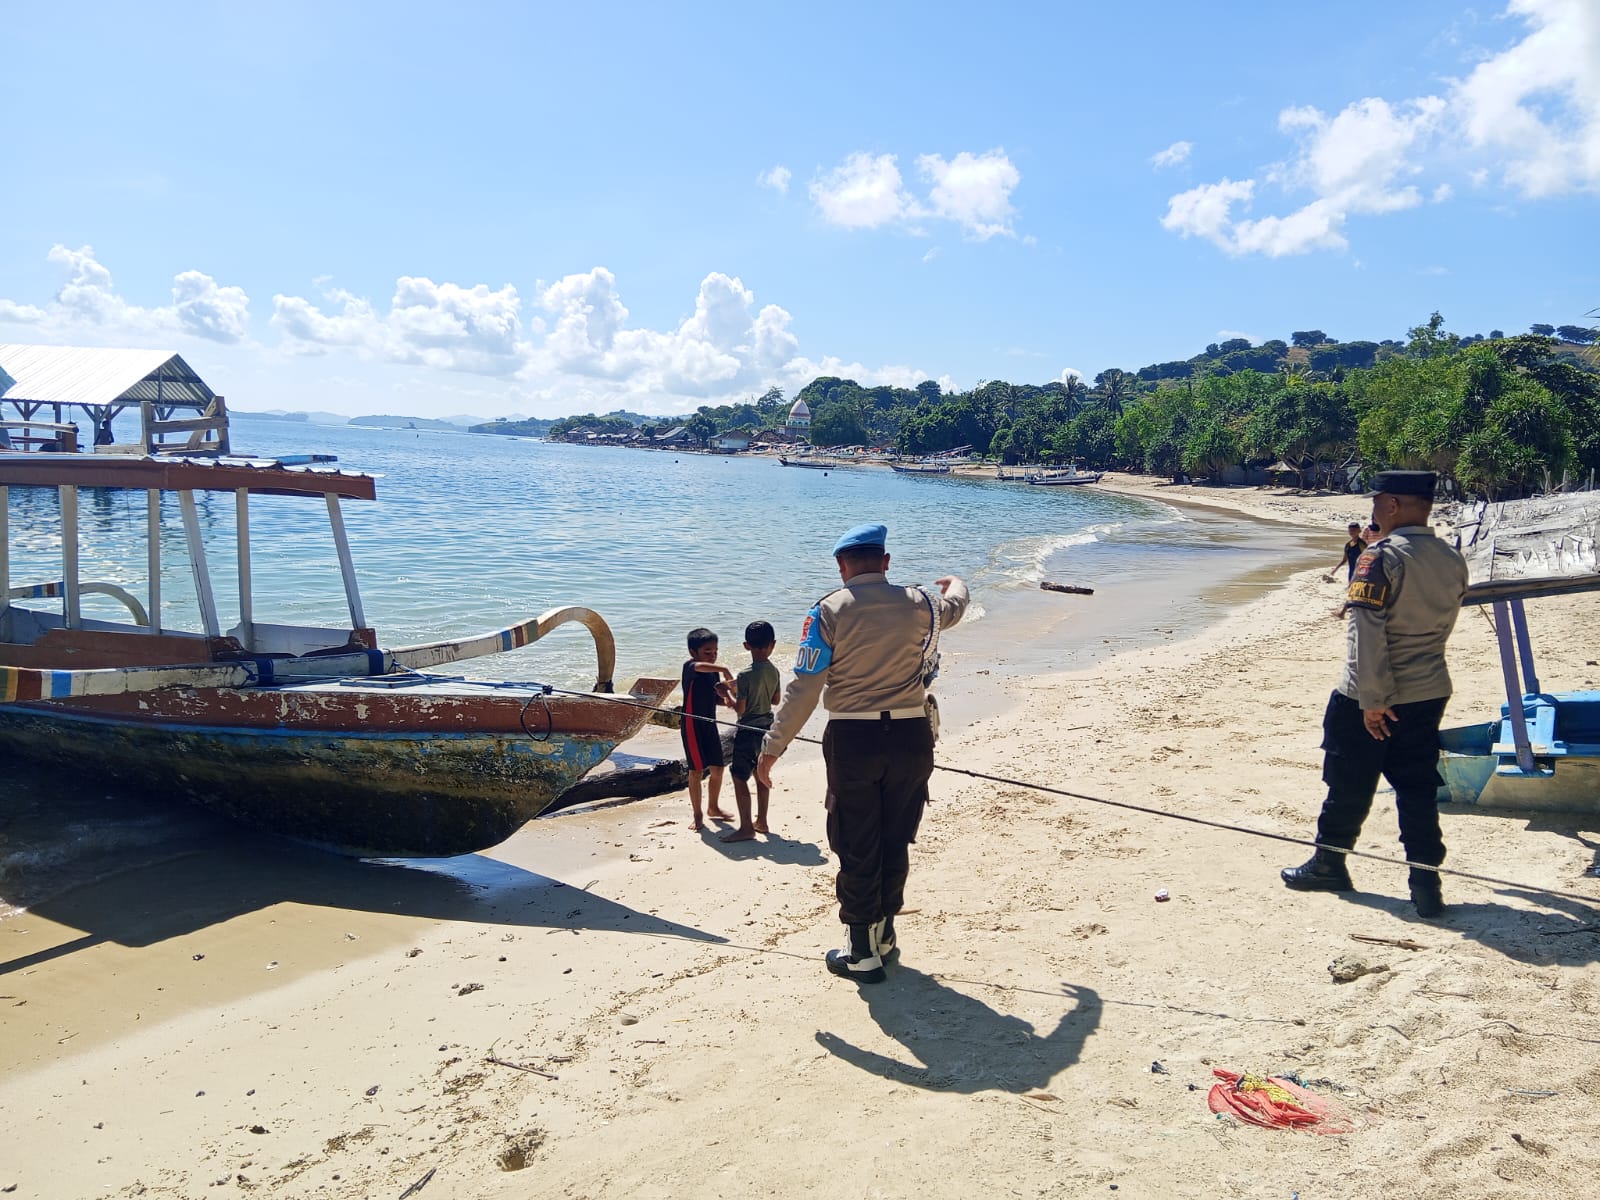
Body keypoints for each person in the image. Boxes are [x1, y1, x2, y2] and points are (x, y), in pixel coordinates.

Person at [756, 523, 969, 984]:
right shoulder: (922, 604)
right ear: (886, 562)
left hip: (854, 740)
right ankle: (885, 934)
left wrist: (773, 748)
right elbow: (956, 605)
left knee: (855, 841)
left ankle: (860, 952)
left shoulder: (828, 611)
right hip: (913, 737)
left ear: (842, 565)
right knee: (896, 836)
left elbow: (804, 689)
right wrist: (956, 582)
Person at [1281, 470, 1470, 917]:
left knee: (1347, 782)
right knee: (1418, 787)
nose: (1371, 512)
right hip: (1429, 688)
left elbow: (1367, 632)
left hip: (1371, 694)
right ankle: (1426, 886)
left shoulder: (1378, 557)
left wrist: (1372, 700)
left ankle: (1330, 864)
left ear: (1391, 505)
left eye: (1376, 503)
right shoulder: (1451, 556)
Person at [720, 620, 781, 843]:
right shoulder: (774, 670)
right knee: (761, 774)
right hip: (767, 728)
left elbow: (741, 708)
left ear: (747, 646)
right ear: (772, 644)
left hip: (747, 730)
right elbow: (775, 700)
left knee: (738, 776)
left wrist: (727, 696)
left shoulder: (744, 674)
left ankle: (746, 827)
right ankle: (762, 821)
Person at [680, 627, 735, 831]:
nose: (712, 656)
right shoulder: (691, 667)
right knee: (696, 771)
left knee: (718, 768)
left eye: (715, 652)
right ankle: (697, 814)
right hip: (691, 724)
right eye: (707, 652)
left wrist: (728, 700)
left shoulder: (712, 673)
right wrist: (724, 670)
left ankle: (713, 807)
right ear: (693, 653)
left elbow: (714, 698)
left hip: (709, 723)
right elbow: (701, 667)